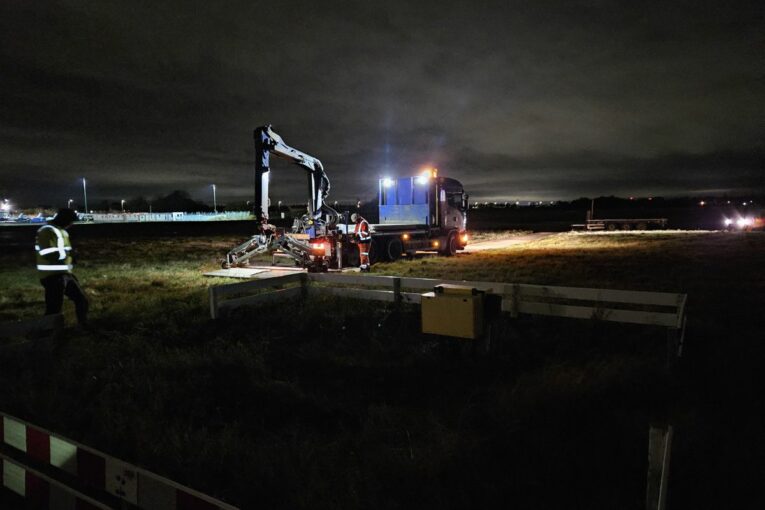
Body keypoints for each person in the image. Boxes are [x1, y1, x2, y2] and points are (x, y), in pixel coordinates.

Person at [35, 208, 88, 324]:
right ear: (63, 219)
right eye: (70, 221)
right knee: (54, 309)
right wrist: (69, 254)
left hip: (65, 274)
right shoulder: (47, 231)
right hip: (51, 276)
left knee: (82, 300)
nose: (71, 224)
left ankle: (83, 326)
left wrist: (71, 257)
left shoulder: (62, 232)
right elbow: (47, 253)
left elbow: (63, 250)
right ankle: (45, 335)